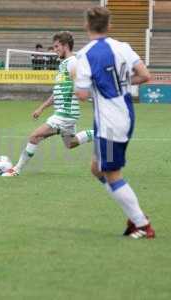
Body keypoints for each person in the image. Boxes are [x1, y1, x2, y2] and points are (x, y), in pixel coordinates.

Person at [74, 6, 155, 239]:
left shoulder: (85, 55)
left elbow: (81, 94)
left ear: (86, 26)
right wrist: (120, 83)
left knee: (111, 173)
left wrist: (89, 85)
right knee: (96, 168)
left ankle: (141, 223)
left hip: (110, 123)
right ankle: (134, 212)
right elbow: (145, 75)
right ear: (109, 26)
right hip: (125, 116)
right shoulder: (123, 47)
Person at [2, 31, 93, 177]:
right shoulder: (63, 64)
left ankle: (16, 170)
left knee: (34, 136)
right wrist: (41, 108)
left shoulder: (73, 63)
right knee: (70, 143)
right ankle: (97, 133)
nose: (55, 49)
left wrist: (81, 92)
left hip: (65, 114)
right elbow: (58, 92)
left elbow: (80, 85)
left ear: (65, 46)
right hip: (67, 113)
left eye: (57, 46)